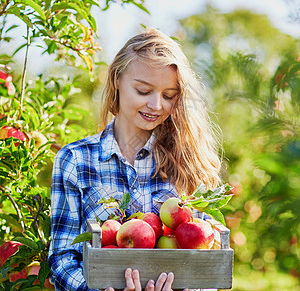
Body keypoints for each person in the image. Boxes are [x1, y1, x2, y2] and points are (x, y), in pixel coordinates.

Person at [48, 27, 222, 291]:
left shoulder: (187, 161)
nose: (156, 105)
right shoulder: (76, 160)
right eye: (143, 91)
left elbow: (205, 254)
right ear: (117, 79)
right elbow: (62, 259)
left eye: (168, 96)